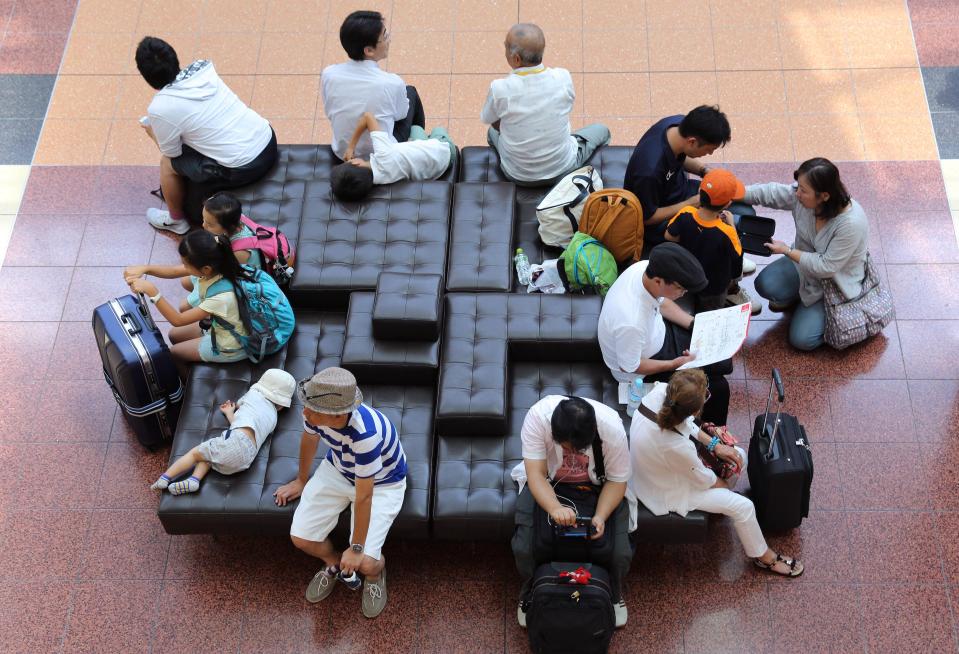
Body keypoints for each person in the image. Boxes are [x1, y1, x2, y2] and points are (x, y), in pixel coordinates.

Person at [629, 370, 804, 578]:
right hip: (663, 490)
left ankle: (719, 507)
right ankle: (765, 558)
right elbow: (704, 479)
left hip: (652, 469)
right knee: (743, 506)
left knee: (738, 455)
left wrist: (715, 445)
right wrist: (724, 485)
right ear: (694, 410)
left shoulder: (661, 393)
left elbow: (686, 425)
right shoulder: (675, 446)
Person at [274, 367, 407, 619]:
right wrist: (302, 480)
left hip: (381, 485)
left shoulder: (365, 436)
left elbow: (364, 495)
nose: (304, 412)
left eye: (311, 411)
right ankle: (334, 563)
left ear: (337, 416)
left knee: (367, 563)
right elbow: (310, 439)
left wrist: (356, 549)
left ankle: (376, 574)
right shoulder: (315, 409)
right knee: (301, 538)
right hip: (338, 469)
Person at [511, 395, 635, 628]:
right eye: (567, 448)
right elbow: (536, 474)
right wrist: (555, 507)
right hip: (548, 484)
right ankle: (529, 588)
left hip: (598, 486)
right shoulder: (538, 417)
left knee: (620, 553)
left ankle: (614, 591)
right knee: (523, 546)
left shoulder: (612, 430)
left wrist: (600, 516)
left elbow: (617, 481)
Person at [135, 36, 277, 235]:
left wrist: (153, 133)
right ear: (175, 58)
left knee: (167, 163)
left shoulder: (160, 107)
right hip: (268, 140)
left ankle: (176, 220)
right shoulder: (204, 67)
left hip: (244, 167)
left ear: (146, 76)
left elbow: (172, 153)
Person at [597, 242, 732, 425]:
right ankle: (712, 437)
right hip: (641, 369)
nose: (684, 294)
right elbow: (629, 366)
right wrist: (673, 364)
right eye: (680, 289)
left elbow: (662, 303)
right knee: (719, 387)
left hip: (658, 335)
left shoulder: (644, 269)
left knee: (724, 361)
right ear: (659, 281)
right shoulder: (631, 321)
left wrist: (694, 324)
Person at [743, 157, 869, 351]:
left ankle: (824, 316)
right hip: (802, 265)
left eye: (803, 190)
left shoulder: (851, 223)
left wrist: (787, 250)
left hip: (833, 284)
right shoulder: (804, 197)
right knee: (764, 285)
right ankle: (799, 298)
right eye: (798, 186)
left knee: (802, 340)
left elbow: (826, 267)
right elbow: (772, 193)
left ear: (824, 196)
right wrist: (735, 192)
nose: (796, 193)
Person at [622, 105, 757, 278]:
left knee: (736, 203)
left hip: (680, 191)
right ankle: (726, 260)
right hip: (659, 221)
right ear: (692, 141)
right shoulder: (649, 170)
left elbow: (682, 157)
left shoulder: (679, 126)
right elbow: (647, 217)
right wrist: (689, 204)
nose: (709, 154)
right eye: (709, 150)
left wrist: (704, 171)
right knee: (718, 230)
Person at [480, 23, 610, 186]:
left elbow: (488, 119)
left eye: (505, 46)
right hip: (563, 168)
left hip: (517, 175)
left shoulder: (499, 89)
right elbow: (567, 107)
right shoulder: (563, 78)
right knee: (602, 130)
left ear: (516, 59)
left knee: (491, 132)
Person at [125, 230, 252, 377]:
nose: (183, 267)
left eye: (185, 264)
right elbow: (173, 271)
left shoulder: (221, 298)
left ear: (205, 269)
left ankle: (184, 389)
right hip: (226, 324)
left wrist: (152, 291)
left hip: (232, 343)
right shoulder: (221, 267)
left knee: (174, 353)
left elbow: (177, 320)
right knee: (174, 335)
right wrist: (145, 268)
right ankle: (194, 363)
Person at [151, 369, 296, 494]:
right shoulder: (273, 418)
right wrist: (230, 415)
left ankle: (165, 478)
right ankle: (194, 480)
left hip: (235, 441)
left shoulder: (254, 395)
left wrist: (230, 410)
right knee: (209, 455)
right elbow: (245, 426)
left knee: (196, 453)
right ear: (282, 405)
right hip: (246, 459)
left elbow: (239, 409)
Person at [124, 193, 261, 314]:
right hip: (224, 273)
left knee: (184, 308)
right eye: (203, 220)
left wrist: (147, 271)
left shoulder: (238, 254)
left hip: (235, 288)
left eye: (209, 224)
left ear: (227, 228)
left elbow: (177, 272)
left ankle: (210, 314)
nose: (203, 226)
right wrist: (146, 269)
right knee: (186, 281)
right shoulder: (235, 221)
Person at [322, 10, 426, 161]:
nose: (389, 40)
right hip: (381, 155)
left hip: (342, 152)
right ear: (369, 50)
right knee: (410, 93)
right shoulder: (392, 82)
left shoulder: (328, 74)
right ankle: (418, 144)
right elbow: (401, 114)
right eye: (385, 36)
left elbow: (329, 111)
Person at [664, 169, 760, 315]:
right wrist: (731, 225)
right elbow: (736, 266)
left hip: (688, 276)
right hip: (714, 288)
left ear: (699, 192)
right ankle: (731, 296)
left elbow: (669, 236)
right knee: (712, 311)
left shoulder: (685, 213)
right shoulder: (727, 232)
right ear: (727, 204)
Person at [330, 111, 455, 201]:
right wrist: (351, 146)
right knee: (434, 129)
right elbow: (368, 116)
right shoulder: (383, 153)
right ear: (356, 163)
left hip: (435, 171)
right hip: (445, 151)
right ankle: (434, 136)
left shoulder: (381, 181)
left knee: (416, 131)